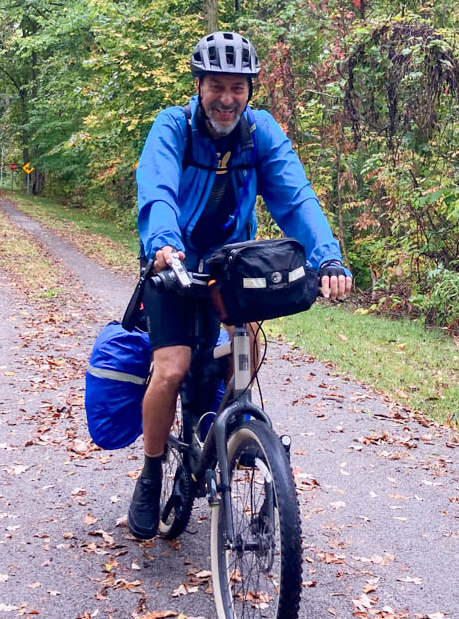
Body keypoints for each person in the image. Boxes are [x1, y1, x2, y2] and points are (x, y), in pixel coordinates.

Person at [127, 30, 352, 539]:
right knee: (172, 368)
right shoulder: (173, 127)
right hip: (174, 265)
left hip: (232, 268)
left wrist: (328, 259)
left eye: (238, 88)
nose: (227, 99)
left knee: (239, 361)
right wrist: (163, 243)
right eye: (217, 87)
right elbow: (157, 187)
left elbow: (294, 198)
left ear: (250, 91)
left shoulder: (261, 133)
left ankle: (233, 437)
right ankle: (152, 467)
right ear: (199, 85)